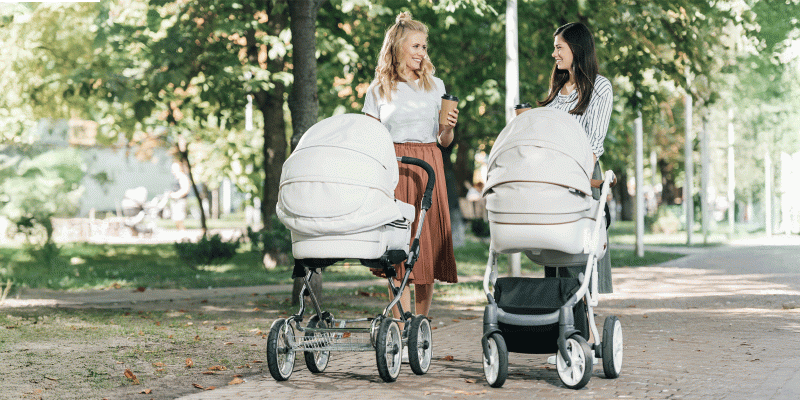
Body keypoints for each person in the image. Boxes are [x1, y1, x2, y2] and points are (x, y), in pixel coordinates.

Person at [362, 12, 459, 322]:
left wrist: (449, 128)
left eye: (424, 47)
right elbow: (370, 137)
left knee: (425, 246)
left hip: (429, 165)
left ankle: (419, 323)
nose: (422, 53)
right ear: (398, 47)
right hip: (395, 167)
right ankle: (400, 324)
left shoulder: (435, 86)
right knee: (398, 247)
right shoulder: (378, 89)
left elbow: (444, 141)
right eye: (416, 46)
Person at [536, 22, 614, 293]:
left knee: (578, 252)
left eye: (559, 47)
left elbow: (594, 143)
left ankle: (579, 319)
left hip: (582, 175)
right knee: (555, 253)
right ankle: (557, 320)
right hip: (553, 178)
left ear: (576, 49)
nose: (554, 54)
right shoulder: (557, 92)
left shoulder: (599, 87)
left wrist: (577, 181)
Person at [169, 161, 191, 230]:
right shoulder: (176, 177)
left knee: (179, 219)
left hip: (180, 201)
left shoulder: (183, 177)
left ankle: (183, 235)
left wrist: (175, 195)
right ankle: (180, 235)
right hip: (175, 201)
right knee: (176, 220)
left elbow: (185, 190)